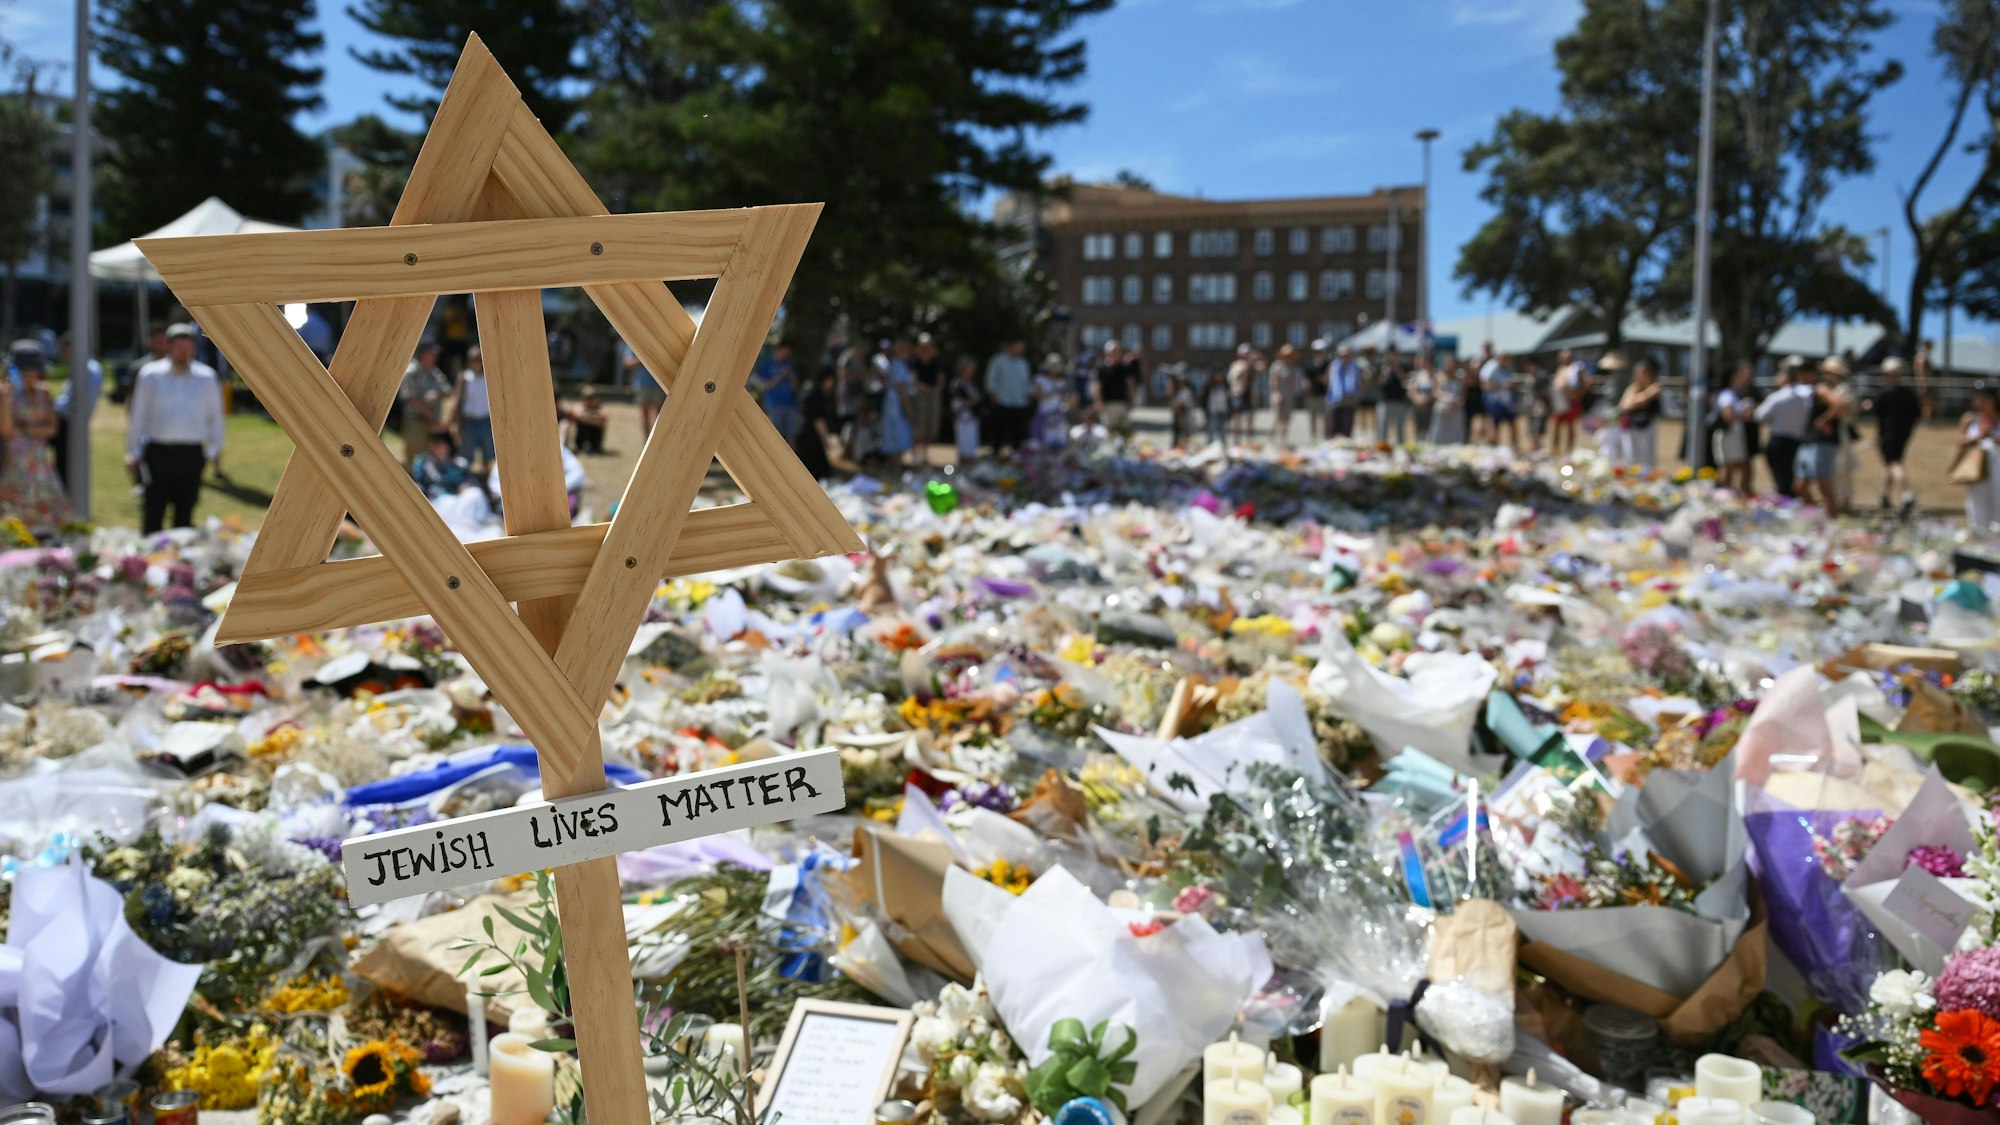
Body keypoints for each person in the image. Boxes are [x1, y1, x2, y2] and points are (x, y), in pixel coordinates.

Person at [126, 323, 225, 534]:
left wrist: (212, 450)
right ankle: (149, 558)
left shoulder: (206, 378)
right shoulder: (150, 375)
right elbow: (139, 416)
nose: (183, 353)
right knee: (154, 509)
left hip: (191, 453)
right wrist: (133, 451)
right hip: (158, 451)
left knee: (185, 511)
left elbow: (215, 418)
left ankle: (180, 564)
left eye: (188, 347)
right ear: (168, 347)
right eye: (178, 347)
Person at [0, 344, 73, 535]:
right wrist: (6, 397)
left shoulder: (43, 392)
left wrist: (24, 429)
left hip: (40, 463)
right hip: (14, 463)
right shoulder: (5, 394)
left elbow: (52, 428)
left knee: (48, 514)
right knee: (14, 517)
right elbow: (6, 430)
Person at [1866, 356, 1924, 518]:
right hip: (1904, 434)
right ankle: (1885, 496)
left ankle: (1907, 495)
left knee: (1894, 464)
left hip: (1887, 434)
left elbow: (1875, 414)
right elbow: (1918, 414)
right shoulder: (1908, 394)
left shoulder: (1884, 394)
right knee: (1890, 464)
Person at [1755, 356, 1816, 499]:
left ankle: (1787, 500)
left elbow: (1760, 416)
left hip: (1779, 440)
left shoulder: (1778, 397)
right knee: (1791, 474)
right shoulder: (1806, 395)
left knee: (1782, 477)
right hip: (1797, 440)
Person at [1800, 356, 1853, 513]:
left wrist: (1823, 421)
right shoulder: (1826, 387)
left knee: (1824, 484)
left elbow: (1840, 404)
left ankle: (1830, 518)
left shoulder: (1823, 388)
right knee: (1804, 484)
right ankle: (1817, 516)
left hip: (1823, 441)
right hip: (1814, 440)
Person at [53, 333, 101, 491]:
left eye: (65, 350)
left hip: (70, 424)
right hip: (72, 422)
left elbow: (70, 404)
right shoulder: (88, 367)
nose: (64, 355)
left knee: (65, 465)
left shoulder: (86, 369)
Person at [398, 340, 450, 470]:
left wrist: (437, 394)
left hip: (431, 423)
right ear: (423, 354)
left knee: (431, 458)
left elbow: (448, 391)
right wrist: (431, 417)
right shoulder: (411, 371)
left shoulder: (434, 371)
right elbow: (410, 398)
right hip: (416, 421)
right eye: (431, 353)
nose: (434, 356)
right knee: (415, 458)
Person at [1713, 361, 1758, 495]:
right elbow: (1728, 415)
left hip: (1733, 434)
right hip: (1729, 435)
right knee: (1730, 466)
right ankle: (1725, 494)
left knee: (1739, 466)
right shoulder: (1727, 394)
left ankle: (1734, 492)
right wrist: (1745, 416)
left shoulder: (1732, 393)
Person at [1959, 384, 2000, 531]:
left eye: (1984, 399)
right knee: (1976, 508)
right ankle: (1978, 539)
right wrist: (1979, 437)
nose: (1979, 402)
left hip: (1998, 469)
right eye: (1977, 399)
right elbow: (1961, 442)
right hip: (1977, 468)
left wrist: (1995, 438)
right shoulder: (1970, 419)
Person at [982, 339, 1033, 454]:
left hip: (1019, 402)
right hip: (1002, 400)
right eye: (1018, 347)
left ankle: (1017, 454)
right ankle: (995, 452)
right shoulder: (998, 360)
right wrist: (993, 394)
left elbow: (1026, 381)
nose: (1020, 350)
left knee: (1018, 431)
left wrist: (1027, 395)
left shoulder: (1023, 363)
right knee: (999, 428)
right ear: (1011, 346)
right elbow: (991, 378)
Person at [451, 345, 494, 472]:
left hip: (486, 420)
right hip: (468, 420)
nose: (476, 362)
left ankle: (488, 479)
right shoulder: (464, 377)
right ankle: (467, 477)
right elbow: (457, 399)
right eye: (473, 359)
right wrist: (455, 421)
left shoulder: (488, 377)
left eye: (479, 359)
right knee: (467, 452)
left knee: (489, 452)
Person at [875, 342, 916, 467]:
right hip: (896, 405)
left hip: (892, 403)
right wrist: (909, 409)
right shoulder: (899, 365)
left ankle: (895, 465)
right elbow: (901, 389)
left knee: (895, 434)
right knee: (897, 434)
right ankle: (895, 466)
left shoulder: (896, 364)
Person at [1618, 360, 1663, 469]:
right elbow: (1623, 405)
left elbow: (1641, 400)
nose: (1639, 375)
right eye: (1637, 372)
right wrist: (1635, 400)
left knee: (1647, 454)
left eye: (1642, 372)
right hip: (1632, 424)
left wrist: (1635, 400)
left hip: (1648, 424)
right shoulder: (1633, 388)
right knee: (1631, 454)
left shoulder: (1655, 386)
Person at [794, 369, 838, 480]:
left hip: (802, 432)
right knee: (813, 470)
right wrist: (825, 439)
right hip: (812, 437)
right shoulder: (818, 395)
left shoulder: (808, 391)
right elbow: (818, 421)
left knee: (802, 469)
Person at [410, 431, 472, 500]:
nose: (437, 449)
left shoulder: (458, 463)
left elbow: (468, 480)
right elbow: (419, 481)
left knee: (475, 494)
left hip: (456, 498)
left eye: (440, 446)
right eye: (434, 445)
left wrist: (465, 485)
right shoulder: (423, 461)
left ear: (449, 447)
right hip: (435, 499)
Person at [1094, 340, 1140, 434]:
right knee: (1109, 430)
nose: (1116, 354)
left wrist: (1133, 400)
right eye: (1113, 351)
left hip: (1122, 402)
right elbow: (1098, 386)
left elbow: (1131, 385)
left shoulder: (1125, 368)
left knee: (1123, 429)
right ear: (1108, 353)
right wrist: (1098, 401)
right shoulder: (1102, 368)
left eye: (1118, 351)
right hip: (1108, 403)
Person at [1550, 349, 1589, 459]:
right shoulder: (1561, 369)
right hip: (1560, 402)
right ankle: (1555, 449)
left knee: (1570, 426)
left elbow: (1587, 381)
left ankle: (1569, 450)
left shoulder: (1577, 368)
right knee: (1556, 426)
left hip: (1571, 402)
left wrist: (1578, 394)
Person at [759, 343, 802, 443]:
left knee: (791, 436)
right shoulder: (768, 365)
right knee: (775, 436)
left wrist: (791, 376)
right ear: (778, 350)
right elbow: (766, 386)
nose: (786, 355)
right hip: (774, 405)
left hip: (790, 405)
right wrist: (780, 375)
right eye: (785, 352)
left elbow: (795, 387)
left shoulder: (790, 365)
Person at [624, 339, 666, 438]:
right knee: (645, 416)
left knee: (660, 417)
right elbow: (627, 363)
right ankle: (646, 441)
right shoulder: (633, 342)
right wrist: (643, 358)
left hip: (659, 384)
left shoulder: (658, 343)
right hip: (642, 385)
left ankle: (658, 440)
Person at [910, 333, 944, 452]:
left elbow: (941, 378)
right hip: (920, 394)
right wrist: (925, 389)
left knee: (931, 423)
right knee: (920, 424)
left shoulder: (936, 360)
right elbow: (913, 379)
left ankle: (925, 452)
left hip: (934, 394)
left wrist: (934, 390)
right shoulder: (915, 361)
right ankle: (917, 453)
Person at [1482, 350, 1519, 449]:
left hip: (1508, 402)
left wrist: (1512, 385)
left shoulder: (1508, 370)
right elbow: (1486, 385)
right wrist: (1501, 386)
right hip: (1496, 401)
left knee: (1512, 424)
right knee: (1496, 425)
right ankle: (1495, 446)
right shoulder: (1492, 370)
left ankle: (1514, 446)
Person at [1324, 344, 1362, 439]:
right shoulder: (1333, 366)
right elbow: (1328, 381)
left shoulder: (1355, 367)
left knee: (1347, 427)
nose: (1344, 358)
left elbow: (1359, 383)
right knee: (1332, 426)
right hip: (1334, 400)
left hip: (1349, 400)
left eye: (1346, 355)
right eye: (1342, 355)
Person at [950, 357, 985, 460]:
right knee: (963, 444)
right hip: (963, 418)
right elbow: (957, 402)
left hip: (973, 418)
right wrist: (972, 401)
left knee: (972, 444)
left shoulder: (971, 384)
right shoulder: (957, 383)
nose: (971, 371)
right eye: (969, 368)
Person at [1226, 345, 1262, 444]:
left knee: (1250, 420)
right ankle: (1236, 442)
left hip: (1250, 395)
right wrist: (1249, 363)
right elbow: (1235, 376)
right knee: (1237, 420)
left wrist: (1259, 357)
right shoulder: (1237, 365)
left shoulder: (1254, 365)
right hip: (1238, 394)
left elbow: (1262, 368)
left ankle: (1249, 442)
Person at [1267, 344, 1301, 444]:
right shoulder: (1277, 365)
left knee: (1287, 419)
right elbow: (1273, 381)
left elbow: (1294, 382)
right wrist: (1275, 393)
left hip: (1289, 395)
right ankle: (1271, 440)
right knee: (1278, 418)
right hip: (1278, 395)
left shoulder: (1293, 367)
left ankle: (1283, 441)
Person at [1034, 353, 1068, 449]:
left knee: (1060, 441)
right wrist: (1051, 393)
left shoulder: (1061, 382)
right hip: (1044, 414)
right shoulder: (1040, 379)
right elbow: (1037, 394)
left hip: (1057, 415)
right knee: (1043, 442)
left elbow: (1063, 399)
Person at [1428, 358, 1466, 444]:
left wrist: (1460, 401)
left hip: (1455, 410)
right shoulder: (1440, 377)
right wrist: (1448, 398)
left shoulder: (1459, 378)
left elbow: (1463, 393)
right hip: (1443, 409)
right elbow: (1435, 392)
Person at [1378, 356, 1411, 445]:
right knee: (1383, 426)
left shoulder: (1402, 367)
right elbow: (1380, 382)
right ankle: (1382, 445)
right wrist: (1386, 373)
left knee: (1400, 426)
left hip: (1399, 401)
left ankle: (1401, 445)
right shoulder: (1383, 368)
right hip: (1386, 401)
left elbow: (1405, 380)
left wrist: (1397, 370)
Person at [568, 388, 608, 454]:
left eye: (592, 397)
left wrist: (585, 417)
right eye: (587, 397)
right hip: (582, 435)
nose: (589, 400)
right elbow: (576, 415)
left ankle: (595, 447)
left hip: (596, 435)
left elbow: (605, 417)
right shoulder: (579, 406)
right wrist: (595, 418)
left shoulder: (600, 407)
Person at [1305, 340, 1330, 440]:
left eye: (1321, 351)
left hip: (1325, 394)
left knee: (1324, 418)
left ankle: (1324, 437)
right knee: (1313, 417)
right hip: (1312, 394)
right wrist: (1306, 391)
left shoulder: (1328, 364)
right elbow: (1306, 380)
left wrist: (1326, 380)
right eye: (1317, 351)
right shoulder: (1309, 364)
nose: (1319, 353)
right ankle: (1313, 438)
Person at [1406, 356, 1436, 444]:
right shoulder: (1418, 375)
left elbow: (1436, 391)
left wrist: (1427, 399)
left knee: (1430, 429)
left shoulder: (1435, 376)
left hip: (1430, 406)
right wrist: (1417, 400)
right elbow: (1411, 391)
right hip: (1418, 406)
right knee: (1417, 430)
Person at [1204, 367, 1230, 446]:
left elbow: (1228, 399)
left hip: (1223, 411)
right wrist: (1206, 413)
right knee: (1211, 432)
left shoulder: (1225, 385)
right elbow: (1204, 400)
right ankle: (1209, 448)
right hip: (1213, 411)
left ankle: (1223, 448)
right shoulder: (1209, 386)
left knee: (1223, 432)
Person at [1170, 372, 1197, 447]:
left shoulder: (1187, 391)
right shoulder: (1177, 390)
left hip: (1184, 414)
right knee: (1177, 433)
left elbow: (1186, 404)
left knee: (1184, 433)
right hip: (1178, 413)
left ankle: (1182, 447)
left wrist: (1182, 417)